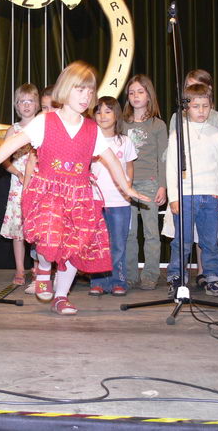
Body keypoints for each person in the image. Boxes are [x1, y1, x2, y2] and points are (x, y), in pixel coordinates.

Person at [0, 61, 149, 315]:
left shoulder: (91, 129)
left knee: (73, 248)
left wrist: (126, 188)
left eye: (89, 91)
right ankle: (43, 268)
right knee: (49, 236)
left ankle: (61, 296)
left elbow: (110, 159)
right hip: (49, 192)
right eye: (79, 89)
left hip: (79, 194)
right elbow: (13, 144)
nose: (85, 96)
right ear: (65, 89)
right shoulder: (46, 121)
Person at [162, 69, 218, 287]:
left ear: (211, 106)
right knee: (183, 241)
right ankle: (176, 277)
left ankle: (213, 278)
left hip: (210, 196)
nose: (201, 110)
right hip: (186, 195)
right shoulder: (177, 133)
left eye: (205, 106)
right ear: (186, 107)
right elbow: (171, 167)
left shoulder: (217, 135)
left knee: (210, 242)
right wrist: (174, 197)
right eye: (196, 106)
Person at [122, 74, 168, 290]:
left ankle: (150, 274)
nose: (135, 96)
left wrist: (162, 185)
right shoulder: (121, 124)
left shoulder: (158, 125)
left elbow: (163, 157)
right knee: (129, 233)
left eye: (140, 91)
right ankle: (130, 274)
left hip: (150, 184)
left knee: (151, 233)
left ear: (149, 95)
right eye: (131, 92)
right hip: (127, 185)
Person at [89, 96, 137, 297]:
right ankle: (98, 281)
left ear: (116, 115)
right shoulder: (90, 141)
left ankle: (118, 281)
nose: (102, 115)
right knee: (98, 244)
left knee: (118, 243)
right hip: (95, 201)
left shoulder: (124, 141)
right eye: (98, 111)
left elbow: (129, 166)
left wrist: (127, 187)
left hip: (119, 202)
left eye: (108, 111)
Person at [0, 84, 39, 285]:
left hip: (39, 185)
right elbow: (4, 160)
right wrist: (18, 173)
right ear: (16, 105)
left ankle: (38, 268)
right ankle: (20, 270)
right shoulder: (13, 130)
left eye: (30, 101)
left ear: (37, 104)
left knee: (38, 230)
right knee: (18, 231)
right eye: (22, 101)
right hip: (18, 186)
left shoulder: (42, 126)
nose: (26, 105)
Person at [22, 86, 59, 295]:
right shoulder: (39, 131)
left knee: (61, 245)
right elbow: (30, 163)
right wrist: (27, 192)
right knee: (39, 241)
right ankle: (41, 278)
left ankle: (61, 288)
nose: (48, 112)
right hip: (41, 196)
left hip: (63, 196)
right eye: (44, 107)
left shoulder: (73, 130)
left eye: (53, 107)